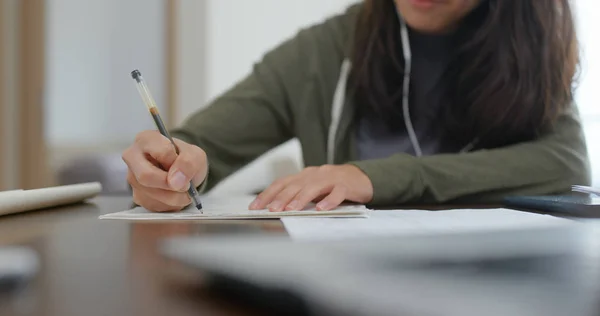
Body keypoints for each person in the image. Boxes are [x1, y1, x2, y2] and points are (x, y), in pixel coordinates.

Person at [122, 0, 590, 213]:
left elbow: (566, 164)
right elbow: (202, 147)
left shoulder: (530, 48)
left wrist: (372, 177)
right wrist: (171, 167)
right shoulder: (321, 53)